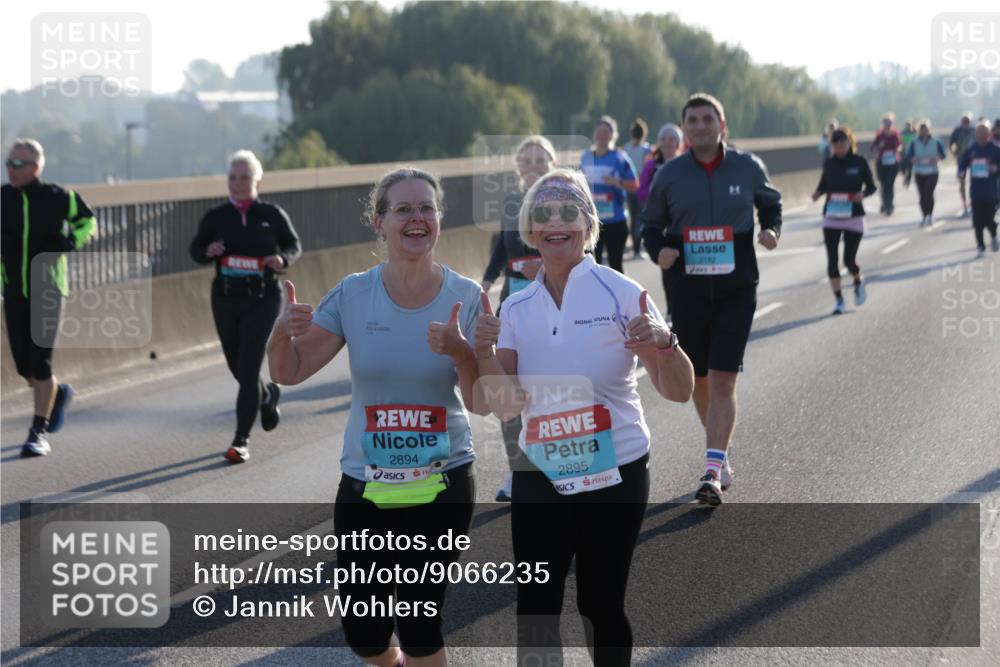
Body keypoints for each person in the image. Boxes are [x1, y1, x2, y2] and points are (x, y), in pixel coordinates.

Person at [474, 168, 694, 666]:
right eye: (544, 214)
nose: (556, 222)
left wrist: (665, 344)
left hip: (616, 470)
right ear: (530, 229)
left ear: (589, 225)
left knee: (600, 604)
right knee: (536, 608)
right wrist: (483, 352)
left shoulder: (622, 292)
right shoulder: (516, 307)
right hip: (541, 472)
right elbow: (504, 405)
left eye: (570, 212)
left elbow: (678, 391)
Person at [268, 167, 486, 667]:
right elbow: (291, 370)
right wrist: (280, 333)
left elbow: (482, 402)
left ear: (439, 219)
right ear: (379, 223)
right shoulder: (353, 294)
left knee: (418, 626)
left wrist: (464, 354)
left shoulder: (466, 296)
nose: (416, 218)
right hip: (367, 484)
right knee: (365, 633)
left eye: (426, 208)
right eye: (403, 209)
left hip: (441, 481)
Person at [641, 92, 782, 506]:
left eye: (708, 119)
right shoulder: (670, 175)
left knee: (724, 377)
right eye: (693, 121)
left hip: (737, 286)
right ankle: (720, 451)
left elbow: (770, 205)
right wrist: (658, 252)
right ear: (683, 129)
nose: (700, 126)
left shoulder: (747, 166)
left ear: (723, 126)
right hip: (686, 288)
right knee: (699, 380)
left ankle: (712, 470)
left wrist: (771, 230)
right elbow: (651, 227)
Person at [190, 150, 301, 463]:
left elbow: (293, 244)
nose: (237, 183)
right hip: (225, 298)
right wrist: (207, 250)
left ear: (257, 180)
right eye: (232, 177)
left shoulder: (271, 214)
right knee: (237, 367)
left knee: (250, 365)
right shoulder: (216, 217)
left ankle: (241, 440)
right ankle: (266, 395)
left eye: (244, 177)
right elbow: (195, 249)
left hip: (263, 296)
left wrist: (282, 259)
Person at [2, 138, 96, 457]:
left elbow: (87, 221)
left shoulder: (59, 197)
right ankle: (57, 394)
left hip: (48, 291)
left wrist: (71, 242)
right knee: (24, 369)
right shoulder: (2, 198)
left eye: (18, 164)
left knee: (40, 364)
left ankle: (37, 432)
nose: (11, 170)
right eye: (8, 163)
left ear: (36, 167)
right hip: (14, 291)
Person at [480, 135, 555, 502]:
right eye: (527, 160)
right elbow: (500, 247)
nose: (534, 166)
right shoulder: (511, 202)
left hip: (553, 306)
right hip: (512, 304)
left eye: (541, 159)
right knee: (507, 387)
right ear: (518, 168)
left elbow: (586, 250)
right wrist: (487, 279)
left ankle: (556, 465)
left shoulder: (563, 202)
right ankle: (516, 472)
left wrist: (547, 266)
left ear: (552, 163)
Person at [811, 127, 877, 315]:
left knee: (849, 261)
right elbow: (824, 185)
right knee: (832, 262)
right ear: (831, 145)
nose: (839, 147)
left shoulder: (859, 162)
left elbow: (872, 187)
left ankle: (857, 279)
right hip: (831, 216)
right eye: (836, 143)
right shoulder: (829, 163)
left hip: (854, 216)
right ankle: (839, 299)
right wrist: (818, 193)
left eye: (843, 143)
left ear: (850, 143)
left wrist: (862, 194)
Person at [580, 115, 639, 274]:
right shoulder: (585, 157)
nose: (601, 136)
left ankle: (619, 298)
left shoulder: (619, 157)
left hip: (615, 221)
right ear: (594, 134)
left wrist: (616, 183)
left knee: (615, 266)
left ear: (613, 136)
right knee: (592, 267)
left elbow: (634, 185)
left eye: (606, 132)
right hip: (592, 221)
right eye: (599, 132)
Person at [637, 123, 684, 320]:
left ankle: (685, 308)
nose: (667, 142)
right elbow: (640, 193)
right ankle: (672, 310)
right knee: (667, 265)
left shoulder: (686, 164)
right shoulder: (651, 165)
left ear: (678, 142)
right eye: (664, 138)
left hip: (681, 222)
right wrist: (659, 188)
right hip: (660, 222)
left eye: (671, 138)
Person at [957, 120, 1000, 256]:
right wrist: (961, 172)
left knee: (989, 219)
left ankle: (993, 234)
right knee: (977, 220)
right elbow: (962, 164)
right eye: (979, 133)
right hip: (976, 191)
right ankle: (980, 246)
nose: (981, 136)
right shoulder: (971, 149)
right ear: (976, 134)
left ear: (989, 134)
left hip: (992, 192)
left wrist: (996, 168)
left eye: (984, 133)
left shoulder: (996, 149)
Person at [906, 120, 947, 227]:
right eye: (922, 130)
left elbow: (943, 155)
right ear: (919, 130)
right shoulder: (914, 141)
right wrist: (913, 159)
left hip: (932, 172)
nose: (924, 132)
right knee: (922, 195)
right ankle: (924, 216)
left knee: (929, 193)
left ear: (929, 130)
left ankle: (930, 215)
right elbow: (909, 155)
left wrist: (937, 159)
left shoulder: (936, 141)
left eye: (926, 130)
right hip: (919, 171)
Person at [622, 118, 652, 259]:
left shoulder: (625, 149)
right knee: (640, 218)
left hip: (629, 187)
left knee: (633, 218)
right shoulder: (647, 149)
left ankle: (634, 248)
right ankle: (638, 249)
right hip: (642, 188)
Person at [870, 113, 902, 215]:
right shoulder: (879, 135)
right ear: (883, 123)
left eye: (890, 122)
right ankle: (884, 203)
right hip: (882, 163)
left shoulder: (895, 134)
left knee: (890, 184)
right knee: (883, 185)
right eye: (886, 122)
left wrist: (896, 150)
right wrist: (878, 149)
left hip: (893, 163)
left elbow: (900, 145)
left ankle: (889, 205)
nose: (888, 124)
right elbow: (873, 147)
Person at [950, 113, 975, 218]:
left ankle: (974, 202)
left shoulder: (974, 130)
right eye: (964, 121)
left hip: (974, 160)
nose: (966, 123)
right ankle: (965, 204)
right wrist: (954, 153)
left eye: (967, 121)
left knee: (975, 181)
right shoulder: (957, 131)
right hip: (961, 159)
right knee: (961, 181)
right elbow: (951, 144)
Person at [900, 119, 917, 188]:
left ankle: (908, 182)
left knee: (910, 169)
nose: (908, 126)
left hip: (911, 154)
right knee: (902, 168)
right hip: (904, 153)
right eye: (907, 125)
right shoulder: (903, 132)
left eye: (909, 125)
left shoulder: (914, 132)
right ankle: (905, 177)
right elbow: (900, 141)